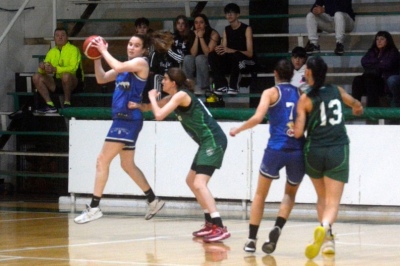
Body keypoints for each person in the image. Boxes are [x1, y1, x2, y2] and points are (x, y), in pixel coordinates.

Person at [74, 33, 169, 224]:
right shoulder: (125, 67)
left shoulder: (141, 63)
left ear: (143, 50)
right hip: (123, 119)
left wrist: (103, 49)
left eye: (136, 45)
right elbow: (101, 78)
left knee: (102, 160)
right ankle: (153, 200)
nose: (131, 47)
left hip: (127, 120)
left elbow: (116, 66)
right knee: (127, 165)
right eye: (129, 44)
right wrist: (96, 57)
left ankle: (94, 207)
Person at [133, 67, 230, 242]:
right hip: (206, 142)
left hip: (213, 140)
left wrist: (151, 98)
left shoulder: (181, 96)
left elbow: (159, 114)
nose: (162, 81)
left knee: (199, 184)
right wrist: (137, 106)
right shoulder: (174, 97)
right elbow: (150, 108)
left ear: (173, 83)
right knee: (191, 181)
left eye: (165, 79)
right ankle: (210, 223)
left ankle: (220, 226)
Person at [229, 59, 305, 254]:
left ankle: (251, 240)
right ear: (292, 75)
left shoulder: (270, 93)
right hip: (297, 149)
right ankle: (278, 227)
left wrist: (238, 129)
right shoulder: (301, 94)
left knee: (260, 194)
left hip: (276, 148)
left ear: (275, 73)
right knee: (290, 193)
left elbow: (257, 117)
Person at [293, 56, 363, 259]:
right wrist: (357, 107)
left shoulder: (304, 98)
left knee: (322, 197)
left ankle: (327, 241)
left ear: (308, 73)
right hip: (337, 150)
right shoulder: (336, 90)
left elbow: (298, 132)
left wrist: (292, 127)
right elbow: (355, 104)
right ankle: (325, 227)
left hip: (313, 151)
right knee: (333, 202)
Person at [32, 27, 83, 113]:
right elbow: (45, 68)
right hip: (57, 82)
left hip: (74, 83)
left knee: (65, 75)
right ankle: (50, 105)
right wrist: (42, 67)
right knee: (36, 76)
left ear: (67, 38)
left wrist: (55, 69)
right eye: (57, 35)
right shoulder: (51, 52)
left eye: (63, 35)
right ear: (54, 38)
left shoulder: (74, 49)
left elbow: (73, 68)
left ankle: (67, 103)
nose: (60, 37)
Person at [209, 3, 255, 95]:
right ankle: (221, 84)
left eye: (232, 13)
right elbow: (224, 49)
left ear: (238, 15)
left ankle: (234, 86)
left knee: (236, 55)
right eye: (227, 13)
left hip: (245, 61)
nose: (229, 15)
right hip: (232, 60)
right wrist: (218, 50)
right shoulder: (226, 29)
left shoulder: (247, 28)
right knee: (212, 55)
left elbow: (250, 53)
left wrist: (231, 50)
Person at [351, 31, 400, 107]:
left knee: (370, 80)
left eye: (382, 39)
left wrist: (374, 63)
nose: (379, 41)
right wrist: (380, 61)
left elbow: (387, 65)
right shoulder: (373, 51)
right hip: (371, 79)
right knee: (357, 80)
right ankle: (355, 107)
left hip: (384, 83)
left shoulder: (393, 52)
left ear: (387, 41)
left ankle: (372, 110)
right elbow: (364, 61)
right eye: (377, 39)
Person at [183, 14, 220, 95]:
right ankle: (188, 86)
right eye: (196, 23)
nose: (198, 25)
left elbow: (207, 53)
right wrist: (197, 37)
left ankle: (202, 86)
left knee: (200, 58)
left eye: (201, 22)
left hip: (210, 59)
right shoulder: (192, 34)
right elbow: (193, 53)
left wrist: (201, 37)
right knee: (187, 58)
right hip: (196, 59)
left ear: (205, 24)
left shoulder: (213, 34)